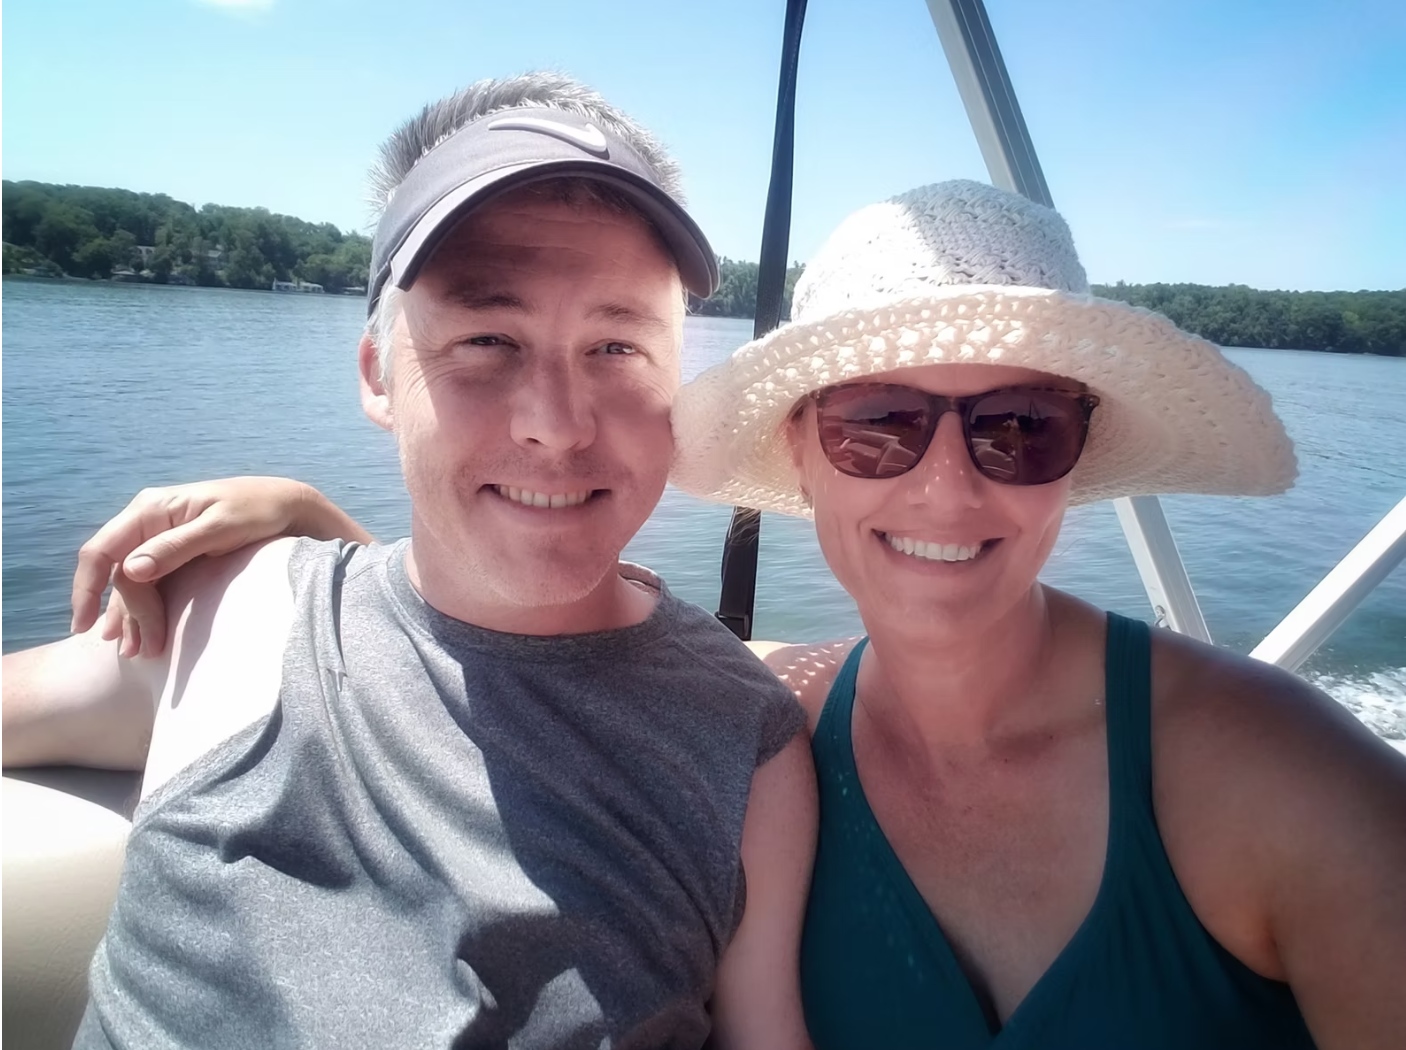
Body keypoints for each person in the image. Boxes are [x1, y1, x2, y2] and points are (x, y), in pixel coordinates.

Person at [56, 181, 1406, 1048]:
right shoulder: (778, 725)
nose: (947, 479)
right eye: (879, 423)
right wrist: (322, 535)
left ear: (1076, 455)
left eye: (1015, 423)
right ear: (804, 452)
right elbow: (499, 658)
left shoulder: (1286, 788)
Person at [1, 73, 817, 1050]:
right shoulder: (237, 611)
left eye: (613, 345)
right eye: (486, 339)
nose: (555, 427)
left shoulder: (743, 746)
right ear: (377, 375)